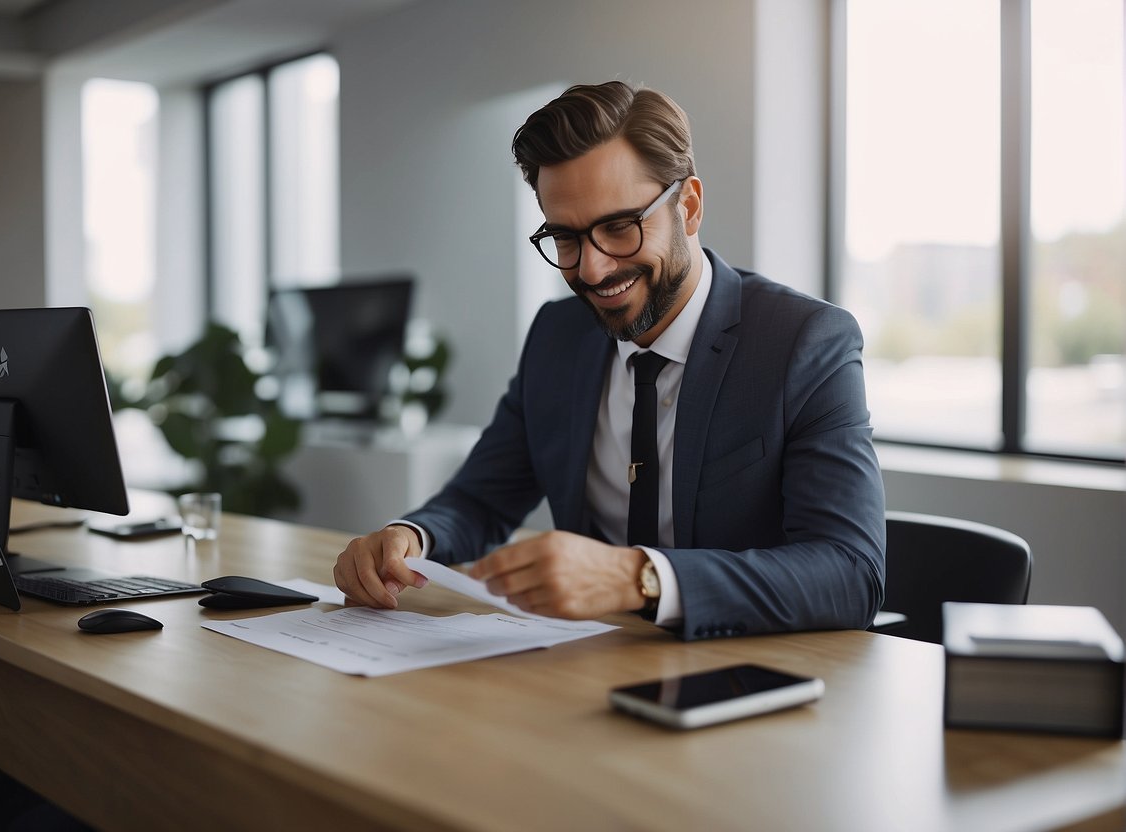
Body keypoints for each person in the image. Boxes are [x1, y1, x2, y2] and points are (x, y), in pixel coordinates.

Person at [334, 80, 885, 640]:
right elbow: (481, 498)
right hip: (586, 668)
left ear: (688, 207)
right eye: (567, 238)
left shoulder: (804, 342)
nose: (593, 270)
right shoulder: (557, 337)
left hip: (745, 677)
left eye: (619, 227)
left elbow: (850, 573)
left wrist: (640, 579)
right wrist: (410, 538)